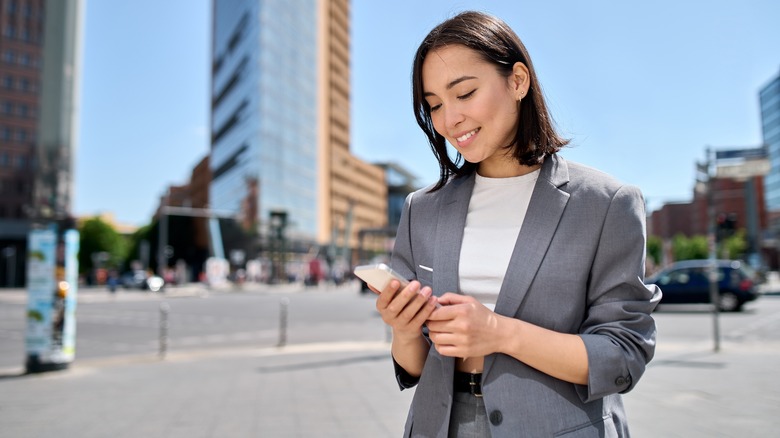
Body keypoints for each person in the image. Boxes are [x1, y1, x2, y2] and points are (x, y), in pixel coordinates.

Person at [372, 10, 662, 437]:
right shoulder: (421, 209)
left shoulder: (607, 204)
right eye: (434, 104)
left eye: (465, 93)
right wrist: (403, 329)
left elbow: (622, 355)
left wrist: (499, 333)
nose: (448, 119)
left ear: (518, 81)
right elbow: (412, 366)